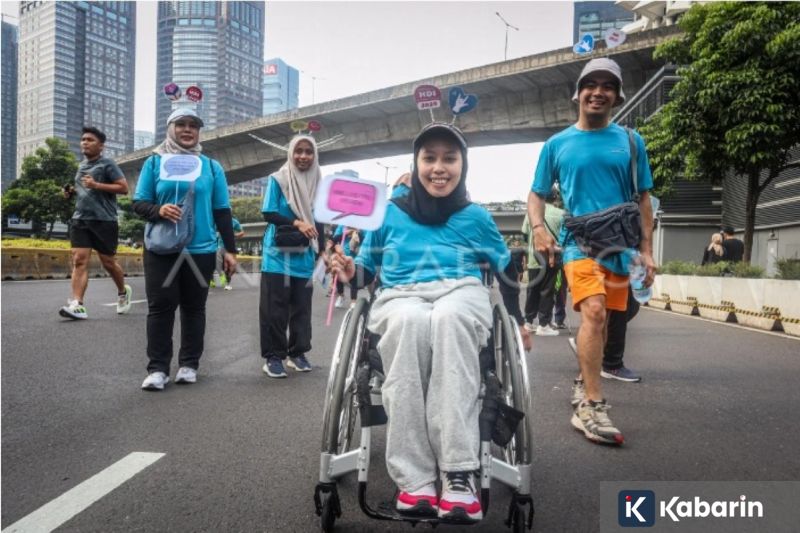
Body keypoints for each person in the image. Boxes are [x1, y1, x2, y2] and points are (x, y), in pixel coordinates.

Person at [330, 123, 532, 522]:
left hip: (460, 292)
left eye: (449, 158)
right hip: (400, 296)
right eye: (430, 158)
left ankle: (458, 474)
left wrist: (519, 321)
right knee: (410, 322)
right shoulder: (387, 213)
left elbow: (505, 269)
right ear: (416, 163)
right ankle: (416, 479)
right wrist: (351, 268)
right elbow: (367, 269)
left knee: (449, 318)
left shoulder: (475, 217)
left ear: (463, 165)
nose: (439, 167)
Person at [528, 57, 656, 445]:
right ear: (577, 93)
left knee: (601, 324)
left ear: (616, 96)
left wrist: (646, 251)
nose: (598, 92)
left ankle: (585, 382)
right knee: (595, 311)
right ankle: (592, 406)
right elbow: (536, 193)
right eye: (591, 84)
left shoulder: (632, 142)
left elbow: (644, 198)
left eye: (607, 86)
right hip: (579, 243)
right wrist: (538, 228)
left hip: (621, 246)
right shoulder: (557, 144)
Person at [132, 108, 238, 390]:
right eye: (181, 124)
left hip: (200, 249)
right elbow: (139, 203)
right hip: (161, 248)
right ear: (170, 128)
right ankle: (157, 369)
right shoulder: (154, 163)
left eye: (193, 125)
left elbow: (222, 211)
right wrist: (159, 209)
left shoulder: (211, 167)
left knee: (194, 308)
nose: (188, 130)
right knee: (160, 308)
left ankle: (189, 364)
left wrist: (230, 249)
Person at [259, 135, 325, 378]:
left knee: (302, 308)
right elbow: (269, 212)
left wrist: (324, 250)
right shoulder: (279, 178)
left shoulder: (319, 181)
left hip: (305, 254)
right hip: (277, 255)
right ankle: (273, 357)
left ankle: (297, 353)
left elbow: (319, 220)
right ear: (291, 153)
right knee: (274, 309)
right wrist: (298, 223)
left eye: (309, 152)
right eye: (299, 151)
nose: (304, 156)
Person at [59, 126, 132, 320]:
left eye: (90, 140)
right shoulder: (81, 166)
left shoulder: (108, 164)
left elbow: (123, 188)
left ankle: (123, 292)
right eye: (83, 139)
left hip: (104, 220)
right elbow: (83, 189)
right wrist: (70, 193)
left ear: (101, 146)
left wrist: (96, 185)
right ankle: (77, 304)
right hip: (80, 219)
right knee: (79, 260)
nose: (85, 142)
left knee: (108, 262)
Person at [521, 186, 564, 336]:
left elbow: (525, 235)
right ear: (555, 198)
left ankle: (528, 322)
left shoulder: (530, 214)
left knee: (532, 290)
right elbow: (564, 238)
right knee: (547, 291)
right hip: (552, 258)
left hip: (534, 257)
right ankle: (544, 324)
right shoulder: (561, 214)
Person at [332, 225, 362, 308]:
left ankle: (353, 301)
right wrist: (345, 233)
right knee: (338, 276)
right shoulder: (342, 224)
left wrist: (358, 232)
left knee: (354, 278)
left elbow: (365, 239)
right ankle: (341, 296)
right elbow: (334, 239)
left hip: (356, 256)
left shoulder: (362, 223)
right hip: (342, 255)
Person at [211, 217, 245, 289]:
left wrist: (234, 235)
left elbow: (242, 233)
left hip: (230, 247)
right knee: (219, 264)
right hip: (220, 246)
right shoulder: (220, 220)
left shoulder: (234, 222)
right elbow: (212, 230)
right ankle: (220, 280)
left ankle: (226, 280)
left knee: (233, 267)